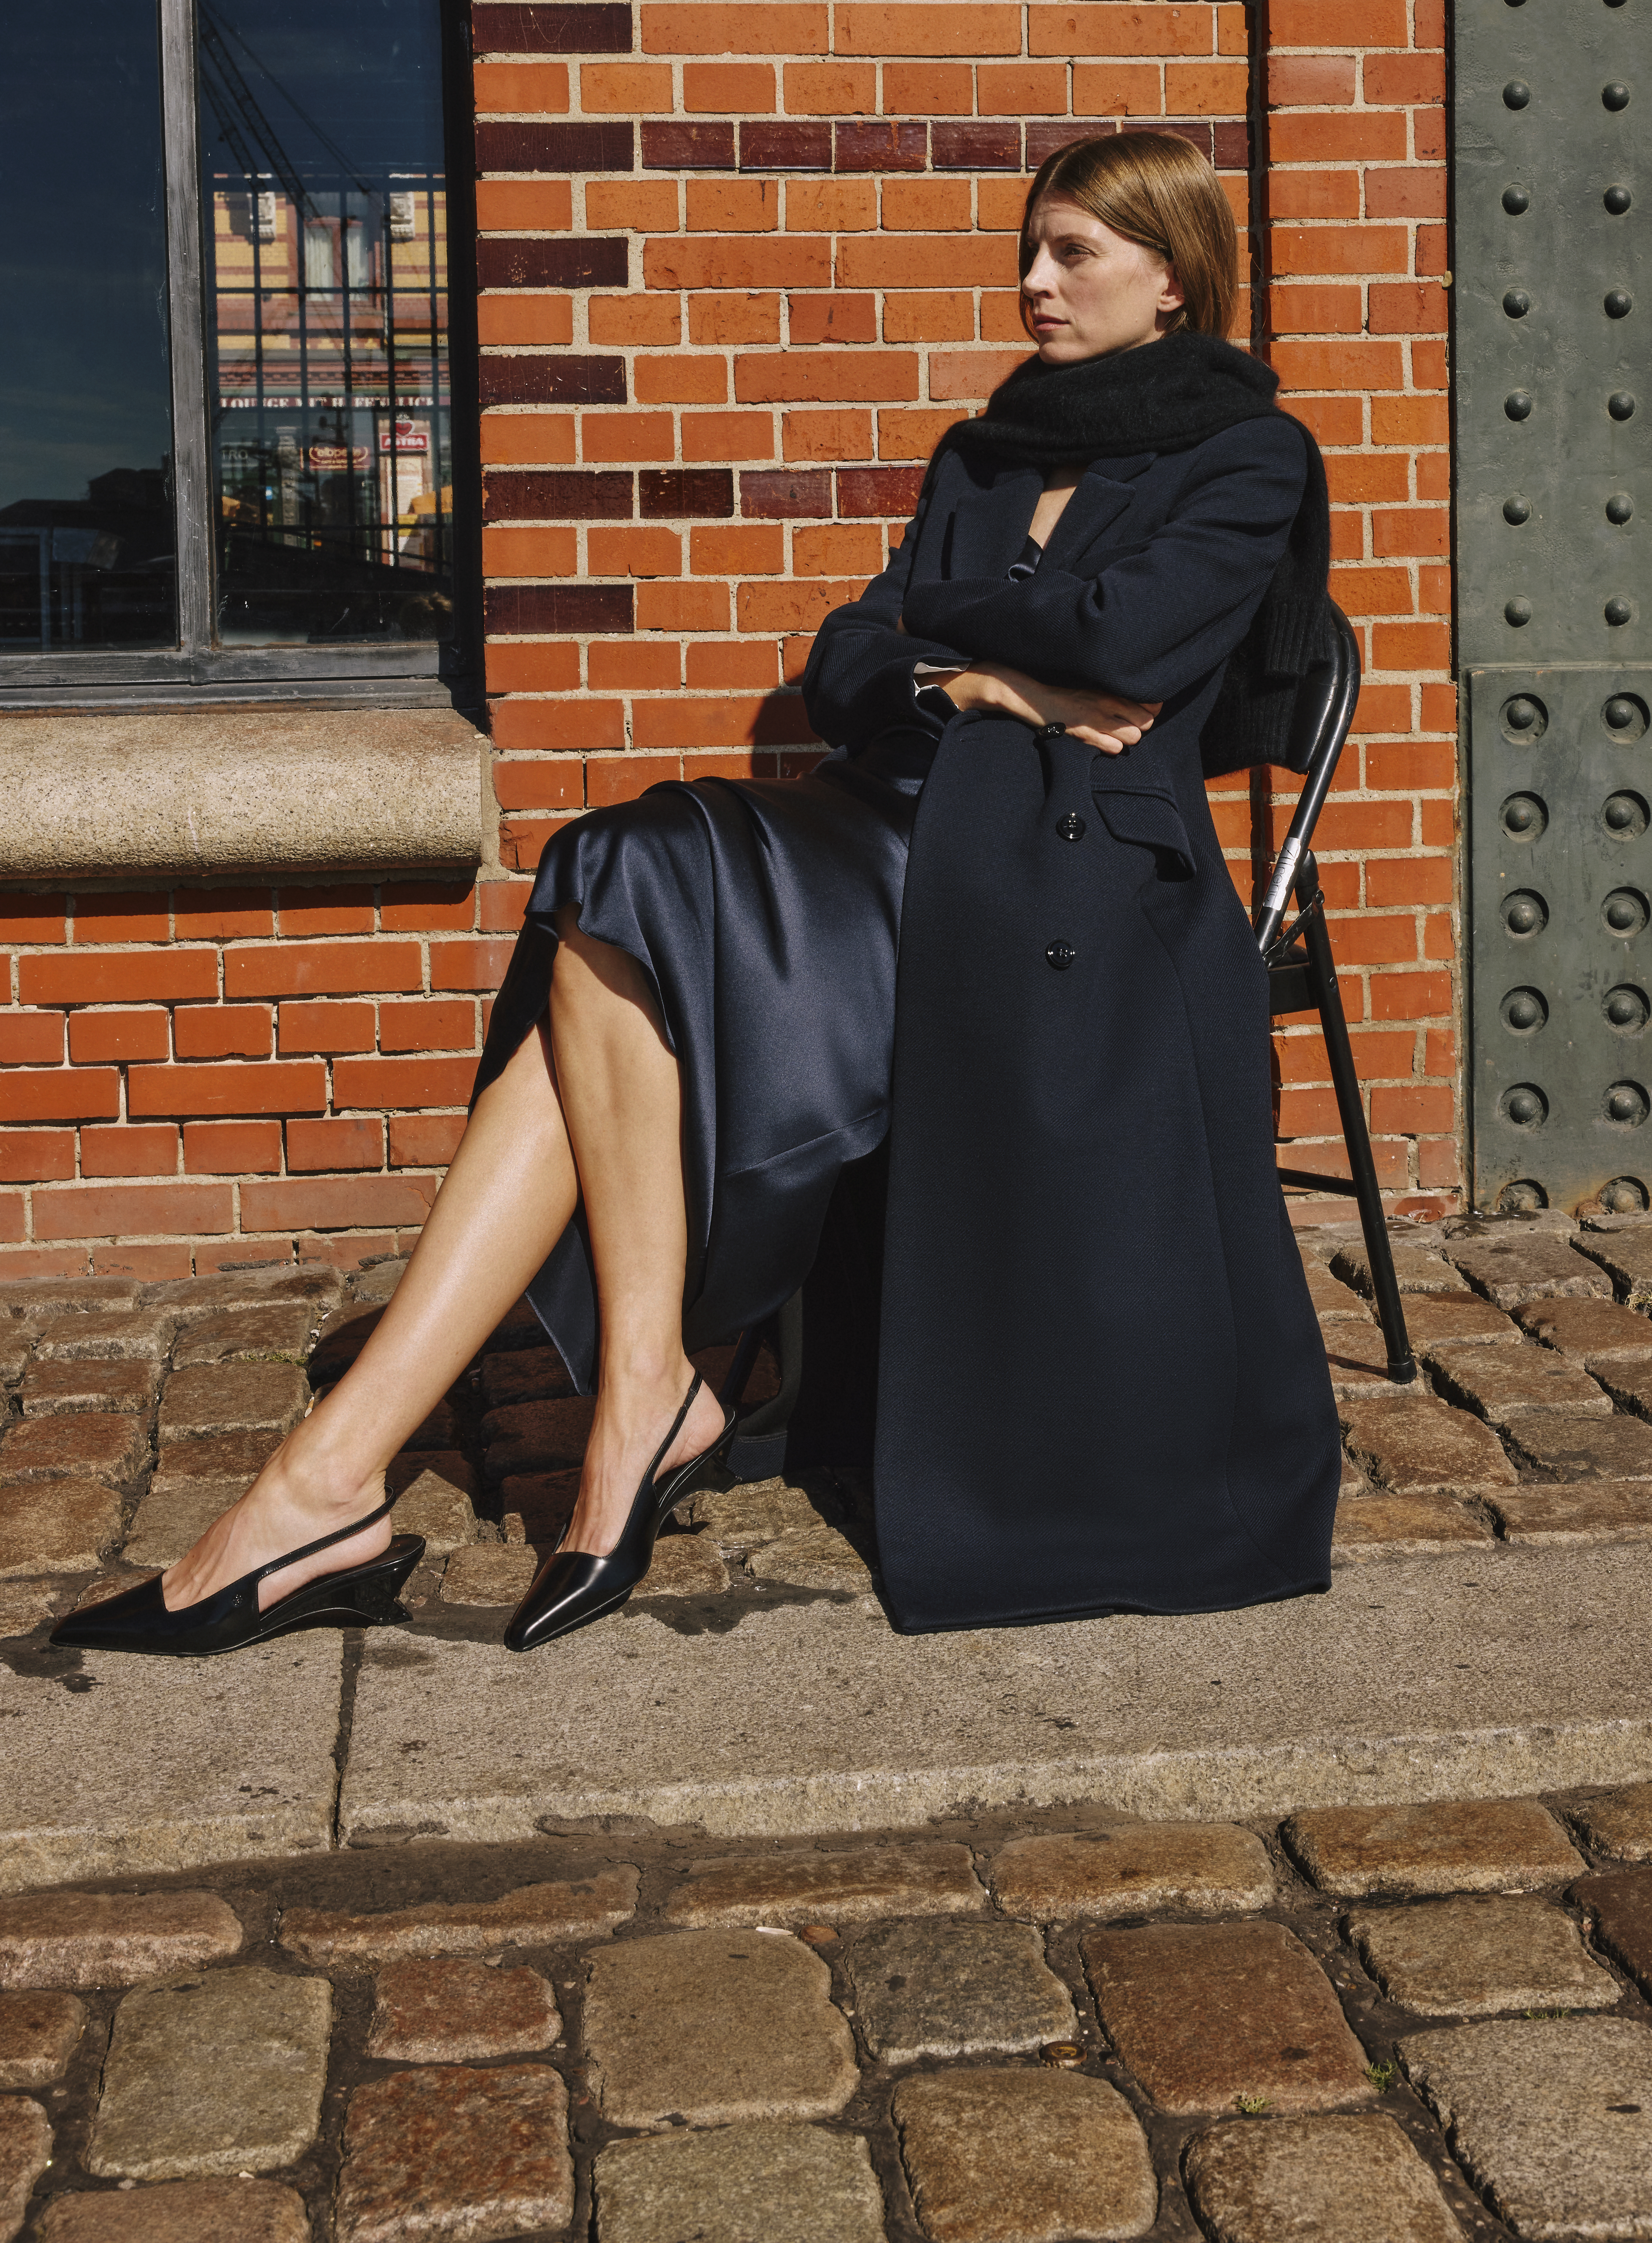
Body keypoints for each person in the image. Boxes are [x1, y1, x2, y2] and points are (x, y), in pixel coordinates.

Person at [53, 128, 1341, 1660]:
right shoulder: (985, 453)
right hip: (891, 820)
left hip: (1069, 866)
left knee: (619, 907)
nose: (1033, 282)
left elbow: (1128, 642)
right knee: (614, 874)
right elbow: (847, 658)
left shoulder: (1248, 452)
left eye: (1073, 253)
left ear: (1173, 276)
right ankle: (507, 1427)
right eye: (1029, 249)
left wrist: (950, 632)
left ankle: (368, 1477)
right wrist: (973, 676)